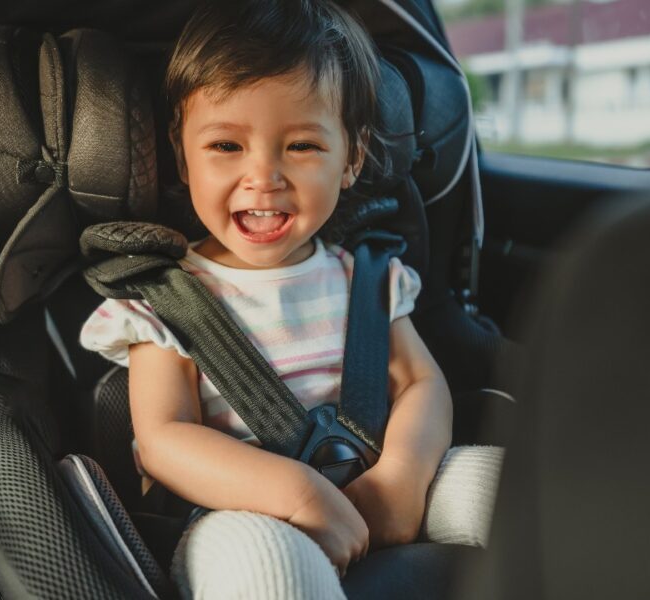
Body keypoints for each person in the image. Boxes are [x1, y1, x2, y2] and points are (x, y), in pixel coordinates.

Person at [80, 1, 503, 597]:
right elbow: (164, 437)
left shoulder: (371, 278)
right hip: (239, 513)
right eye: (226, 146)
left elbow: (419, 385)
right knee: (268, 573)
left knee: (518, 493)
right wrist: (299, 494)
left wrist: (401, 482)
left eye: (301, 146)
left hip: (374, 477)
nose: (264, 177)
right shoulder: (165, 299)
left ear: (351, 158)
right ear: (181, 153)